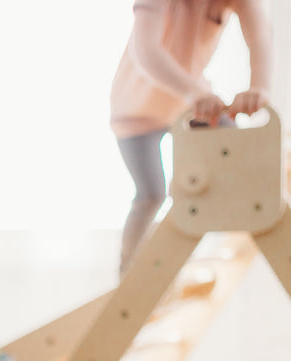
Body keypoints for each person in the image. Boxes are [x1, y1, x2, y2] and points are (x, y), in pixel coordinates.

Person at [110, 0, 273, 275]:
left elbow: (260, 38)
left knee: (231, 149)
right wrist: (192, 91)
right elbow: (146, 51)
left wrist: (259, 87)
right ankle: (127, 272)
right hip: (138, 106)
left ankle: (179, 255)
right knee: (150, 195)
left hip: (190, 105)